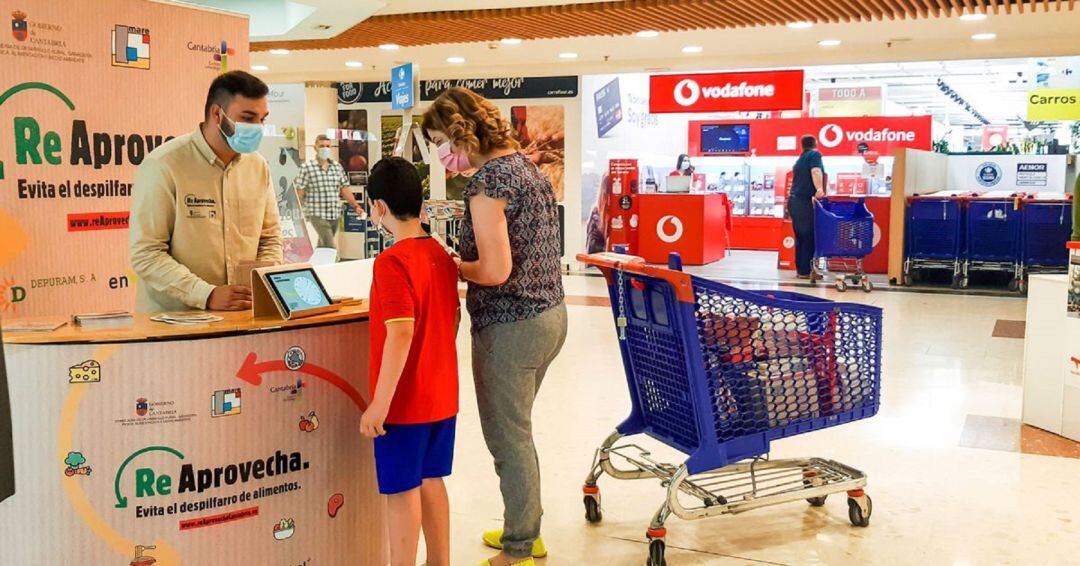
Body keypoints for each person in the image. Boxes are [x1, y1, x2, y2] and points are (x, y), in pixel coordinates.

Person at [423, 88, 567, 566]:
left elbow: (494, 270)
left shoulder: (489, 183)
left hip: (511, 325)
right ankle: (525, 527)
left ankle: (520, 548)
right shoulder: (526, 167)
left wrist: (451, 263)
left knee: (509, 439)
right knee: (519, 431)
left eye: (439, 140)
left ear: (460, 132)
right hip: (549, 316)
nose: (440, 153)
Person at [359, 157, 460, 566]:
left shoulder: (392, 262)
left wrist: (379, 405)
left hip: (405, 404)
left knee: (402, 490)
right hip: (442, 393)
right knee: (431, 480)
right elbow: (451, 318)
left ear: (379, 206)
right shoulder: (439, 253)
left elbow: (399, 333)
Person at [129, 71, 282, 313]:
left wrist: (263, 282)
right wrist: (205, 294)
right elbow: (146, 253)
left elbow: (270, 238)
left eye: (262, 119)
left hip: (242, 319)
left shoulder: (258, 166)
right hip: (176, 325)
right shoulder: (165, 164)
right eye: (248, 118)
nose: (257, 127)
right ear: (217, 114)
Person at [294, 134, 364, 249]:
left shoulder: (337, 167)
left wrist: (356, 206)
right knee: (329, 245)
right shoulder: (307, 167)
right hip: (316, 214)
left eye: (327, 146)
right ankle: (334, 265)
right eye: (321, 146)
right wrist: (298, 212)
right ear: (315, 147)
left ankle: (318, 265)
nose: (325, 149)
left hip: (334, 213)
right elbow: (299, 191)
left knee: (323, 246)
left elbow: (344, 189)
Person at [788, 134, 826, 279]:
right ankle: (808, 270)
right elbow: (815, 171)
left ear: (802, 145)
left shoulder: (800, 159)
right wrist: (819, 189)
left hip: (794, 202)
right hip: (803, 202)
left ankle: (802, 270)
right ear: (815, 144)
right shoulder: (814, 154)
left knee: (801, 237)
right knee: (809, 235)